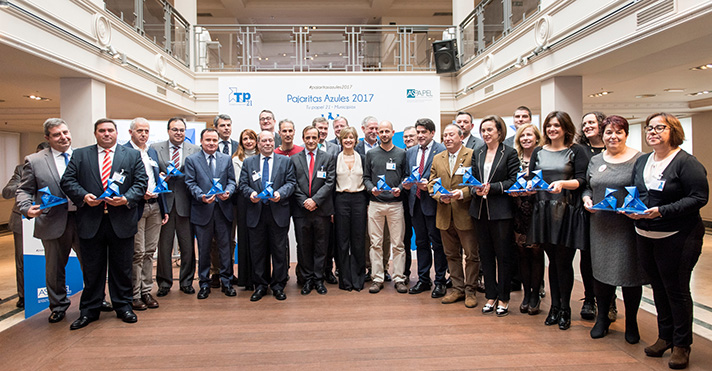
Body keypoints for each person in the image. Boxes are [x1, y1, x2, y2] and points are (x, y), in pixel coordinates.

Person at [627, 113, 708, 369]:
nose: (652, 132)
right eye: (649, 128)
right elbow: (638, 192)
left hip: (678, 235)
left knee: (677, 290)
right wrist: (631, 208)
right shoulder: (643, 161)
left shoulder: (686, 162)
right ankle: (665, 337)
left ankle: (682, 345)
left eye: (659, 127)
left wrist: (662, 211)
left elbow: (698, 198)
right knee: (658, 288)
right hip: (645, 233)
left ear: (673, 130)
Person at [61, 118, 147, 330]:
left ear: (117, 133)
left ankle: (124, 306)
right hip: (91, 221)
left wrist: (126, 198)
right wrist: (84, 196)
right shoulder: (81, 155)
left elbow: (141, 182)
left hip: (122, 221)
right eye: (102, 131)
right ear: (95, 133)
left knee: (122, 268)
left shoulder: (132, 155)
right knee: (92, 270)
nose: (106, 134)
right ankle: (89, 310)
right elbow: (67, 181)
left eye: (110, 130)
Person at [581, 115, 647, 343]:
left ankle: (632, 322)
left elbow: (644, 190)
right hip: (600, 226)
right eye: (609, 132)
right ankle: (602, 319)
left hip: (627, 226)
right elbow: (589, 187)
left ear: (625, 134)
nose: (613, 136)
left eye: (618, 132)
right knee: (600, 274)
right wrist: (587, 199)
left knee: (630, 274)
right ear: (603, 134)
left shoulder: (639, 159)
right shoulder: (596, 160)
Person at [528, 111, 589, 330]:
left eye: (556, 125)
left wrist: (563, 184)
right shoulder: (538, 151)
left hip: (566, 211)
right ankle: (554, 307)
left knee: (564, 262)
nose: (552, 129)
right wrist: (526, 187)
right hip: (542, 210)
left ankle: (565, 309)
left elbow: (583, 180)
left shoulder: (576, 151)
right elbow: (532, 178)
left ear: (565, 128)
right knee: (551, 262)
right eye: (549, 126)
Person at [15, 119, 78, 321]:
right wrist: (26, 208)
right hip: (52, 220)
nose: (63, 137)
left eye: (65, 132)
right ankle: (58, 306)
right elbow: (24, 190)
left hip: (84, 219)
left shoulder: (82, 155)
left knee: (92, 263)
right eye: (57, 134)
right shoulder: (34, 161)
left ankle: (95, 299)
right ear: (47, 138)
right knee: (55, 268)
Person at [469, 115, 518, 316]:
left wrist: (494, 188)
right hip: (479, 211)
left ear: (499, 131)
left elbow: (513, 180)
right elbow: (470, 178)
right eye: (483, 130)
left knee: (503, 256)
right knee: (485, 255)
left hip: (501, 211)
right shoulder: (478, 152)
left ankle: (504, 298)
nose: (486, 134)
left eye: (490, 130)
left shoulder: (510, 153)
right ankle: (490, 295)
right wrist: (475, 190)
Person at [239, 131, 296, 301]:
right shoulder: (249, 162)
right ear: (258, 143)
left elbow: (291, 183)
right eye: (263, 141)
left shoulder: (285, 161)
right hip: (256, 212)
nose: (267, 143)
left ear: (274, 142)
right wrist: (251, 194)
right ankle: (261, 286)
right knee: (258, 252)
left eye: (270, 140)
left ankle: (278, 286)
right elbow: (242, 184)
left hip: (278, 212)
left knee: (279, 251)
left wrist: (280, 193)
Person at [429, 124, 480, 308]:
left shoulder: (472, 155)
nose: (448, 138)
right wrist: (438, 196)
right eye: (445, 135)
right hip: (444, 213)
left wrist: (461, 194)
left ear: (460, 137)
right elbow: (431, 183)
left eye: (451, 135)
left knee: (471, 255)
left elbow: (477, 183)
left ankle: (471, 291)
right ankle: (457, 289)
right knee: (451, 255)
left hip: (464, 213)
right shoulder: (437, 158)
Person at [150, 117, 200, 296]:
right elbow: (151, 172)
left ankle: (187, 282)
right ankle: (164, 283)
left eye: (181, 130)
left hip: (186, 204)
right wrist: (160, 176)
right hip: (165, 205)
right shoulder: (155, 149)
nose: (178, 132)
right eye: (174, 129)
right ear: (168, 131)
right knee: (164, 246)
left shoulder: (195, 150)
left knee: (187, 247)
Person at [185, 128, 236, 299]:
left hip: (223, 211)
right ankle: (204, 284)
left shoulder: (226, 159)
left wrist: (228, 192)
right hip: (202, 210)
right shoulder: (192, 160)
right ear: (201, 141)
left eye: (214, 140)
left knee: (225, 249)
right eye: (208, 140)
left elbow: (231, 181)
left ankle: (227, 282)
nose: (212, 143)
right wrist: (201, 196)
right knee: (204, 249)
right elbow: (190, 183)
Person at [124, 118, 169, 310]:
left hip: (155, 207)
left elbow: (156, 179)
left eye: (146, 131)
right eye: (140, 131)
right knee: (138, 252)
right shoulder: (124, 152)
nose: (143, 134)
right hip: (136, 207)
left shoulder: (151, 151)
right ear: (131, 132)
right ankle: (134, 294)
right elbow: (122, 181)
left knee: (150, 252)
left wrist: (164, 208)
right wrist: (138, 193)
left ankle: (146, 291)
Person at [402, 119, 447, 298]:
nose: (420, 135)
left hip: (433, 203)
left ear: (432, 133)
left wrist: (430, 185)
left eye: (424, 132)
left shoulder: (441, 150)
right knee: (420, 243)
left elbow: (445, 177)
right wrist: (406, 184)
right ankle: (423, 279)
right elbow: (408, 174)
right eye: (418, 132)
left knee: (437, 244)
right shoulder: (411, 152)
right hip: (415, 203)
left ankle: (440, 281)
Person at [363, 120, 407, 294]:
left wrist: (401, 188)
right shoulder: (371, 154)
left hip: (396, 205)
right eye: (381, 131)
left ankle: (399, 279)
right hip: (375, 205)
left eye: (387, 131)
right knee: (375, 244)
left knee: (398, 244)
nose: (383, 134)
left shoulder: (402, 153)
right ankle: (377, 278)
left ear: (393, 132)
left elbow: (406, 176)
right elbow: (366, 177)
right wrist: (370, 188)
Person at [291, 126, 336, 295]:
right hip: (301, 210)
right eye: (307, 137)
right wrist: (304, 201)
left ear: (319, 139)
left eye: (314, 137)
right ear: (303, 138)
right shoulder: (294, 159)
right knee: (303, 246)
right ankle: (307, 279)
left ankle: (319, 279)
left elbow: (330, 182)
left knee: (321, 246)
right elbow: (292, 183)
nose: (311, 141)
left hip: (322, 210)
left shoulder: (328, 157)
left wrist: (315, 200)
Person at [510, 124, 545, 315]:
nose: (525, 138)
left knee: (536, 253)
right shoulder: (514, 158)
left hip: (537, 210)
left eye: (529, 135)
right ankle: (526, 294)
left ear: (537, 137)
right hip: (517, 210)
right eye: (522, 136)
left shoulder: (542, 157)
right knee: (522, 253)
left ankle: (535, 295)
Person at [576, 111, 607, 320]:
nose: (587, 126)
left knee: (607, 257)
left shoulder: (613, 149)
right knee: (587, 256)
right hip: (586, 209)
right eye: (585, 123)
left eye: (591, 122)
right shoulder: (580, 150)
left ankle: (609, 301)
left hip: (611, 213)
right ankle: (589, 299)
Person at [333, 127, 368, 291]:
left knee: (359, 241)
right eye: (345, 137)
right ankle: (345, 279)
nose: (348, 140)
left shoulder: (362, 158)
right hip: (341, 199)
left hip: (359, 199)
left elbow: (367, 179)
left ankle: (358, 278)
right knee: (342, 241)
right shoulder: (335, 158)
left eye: (351, 137)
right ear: (340, 140)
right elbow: (331, 184)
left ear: (356, 140)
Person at [232, 129, 259, 290]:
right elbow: (239, 182)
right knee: (245, 239)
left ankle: (259, 276)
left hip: (260, 200)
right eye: (245, 139)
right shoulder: (237, 159)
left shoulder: (262, 156)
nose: (249, 141)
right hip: (244, 201)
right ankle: (246, 278)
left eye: (251, 138)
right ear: (241, 142)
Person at [2, 163, 25, 308]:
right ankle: (23, 295)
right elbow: (7, 192)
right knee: (22, 260)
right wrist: (28, 182)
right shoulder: (22, 170)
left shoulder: (64, 166)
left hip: (54, 219)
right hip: (22, 221)